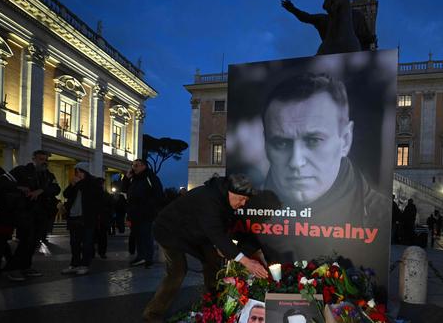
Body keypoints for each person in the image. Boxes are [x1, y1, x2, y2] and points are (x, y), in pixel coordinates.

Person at [260, 73, 390, 259]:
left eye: (314, 140)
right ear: (266, 145)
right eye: (281, 143)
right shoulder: (246, 210)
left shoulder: (380, 219)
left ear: (345, 140)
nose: (296, 162)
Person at [142, 174, 268, 323]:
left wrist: (247, 247)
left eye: (246, 201)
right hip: (169, 231)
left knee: (213, 261)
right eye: (242, 199)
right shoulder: (208, 198)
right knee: (178, 271)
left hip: (195, 232)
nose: (243, 204)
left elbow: (224, 228)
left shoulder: (224, 198)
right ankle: (152, 314)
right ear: (231, 191)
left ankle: (212, 305)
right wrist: (247, 262)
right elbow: (215, 232)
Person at [5, 149, 61, 281]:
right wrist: (20, 188)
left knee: (34, 242)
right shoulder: (21, 171)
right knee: (25, 240)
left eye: (46, 159)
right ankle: (14, 269)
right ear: (34, 158)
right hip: (25, 212)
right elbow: (4, 182)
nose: (44, 162)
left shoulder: (48, 175)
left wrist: (41, 190)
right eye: (41, 159)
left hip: (41, 213)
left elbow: (56, 188)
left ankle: (26, 267)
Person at [61, 163, 102, 276]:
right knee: (74, 243)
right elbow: (66, 194)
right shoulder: (76, 183)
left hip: (87, 218)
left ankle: (85, 265)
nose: (76, 174)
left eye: (78, 171)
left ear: (83, 171)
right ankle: (74, 264)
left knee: (87, 243)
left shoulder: (93, 182)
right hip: (74, 217)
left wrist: (80, 183)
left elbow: (96, 197)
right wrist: (72, 185)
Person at [121, 159, 163, 268]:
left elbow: (158, 194)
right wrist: (126, 178)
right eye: (133, 165)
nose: (133, 168)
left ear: (143, 166)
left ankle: (148, 258)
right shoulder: (134, 179)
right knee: (137, 236)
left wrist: (148, 206)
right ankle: (141, 256)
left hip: (146, 213)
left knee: (146, 236)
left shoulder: (150, 177)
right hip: (134, 213)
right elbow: (124, 190)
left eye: (136, 165)